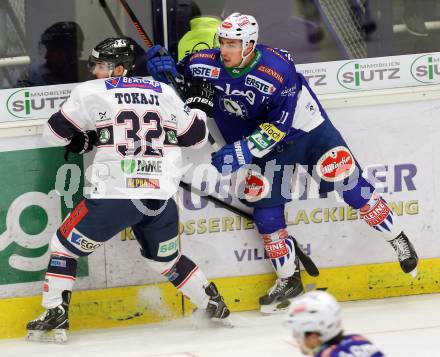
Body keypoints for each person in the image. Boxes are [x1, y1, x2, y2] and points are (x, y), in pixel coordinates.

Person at [146, 12, 419, 313]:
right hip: (262, 147)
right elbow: (184, 85)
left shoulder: (278, 68)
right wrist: (165, 70)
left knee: (352, 186)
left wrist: (240, 153)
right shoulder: (204, 63)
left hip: (308, 132)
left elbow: (279, 126)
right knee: (267, 214)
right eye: (223, 42)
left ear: (249, 45)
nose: (225, 49)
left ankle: (398, 238)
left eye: (233, 44)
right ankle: (289, 279)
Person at [26, 37, 230, 343]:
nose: (94, 71)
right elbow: (197, 139)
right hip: (160, 197)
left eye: (99, 65)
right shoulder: (163, 91)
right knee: (164, 261)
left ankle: (55, 311)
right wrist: (198, 108)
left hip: (114, 196)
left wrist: (85, 136)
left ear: (119, 68)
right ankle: (211, 302)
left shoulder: (88, 91)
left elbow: (52, 134)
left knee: (64, 247)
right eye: (93, 64)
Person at [284, 290, 385, 356]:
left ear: (314, 337)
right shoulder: (358, 339)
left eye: (298, 332)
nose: (296, 338)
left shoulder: (326, 354)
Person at [20, 21, 88, 87]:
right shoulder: (32, 78)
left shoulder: (93, 73)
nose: (46, 56)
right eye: (45, 50)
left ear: (71, 52)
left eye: (53, 51)